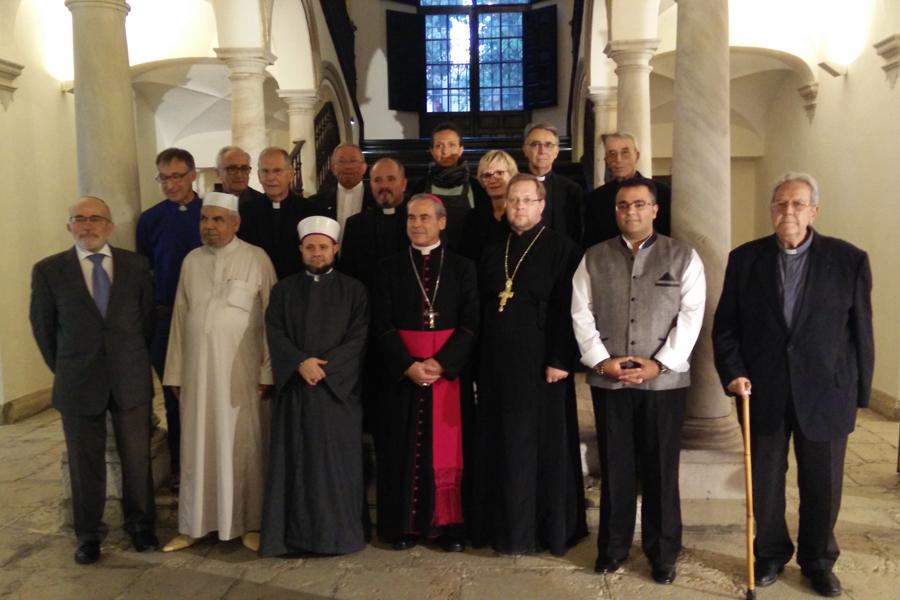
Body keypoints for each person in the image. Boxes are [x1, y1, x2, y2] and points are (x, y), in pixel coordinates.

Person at [713, 172, 874, 598]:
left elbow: (861, 332)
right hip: (761, 391)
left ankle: (818, 561)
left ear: (814, 211)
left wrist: (860, 392)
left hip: (826, 392)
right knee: (764, 480)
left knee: (823, 483)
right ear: (771, 210)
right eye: (780, 204)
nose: (788, 212)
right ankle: (768, 553)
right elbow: (726, 327)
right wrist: (732, 372)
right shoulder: (745, 259)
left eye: (797, 204)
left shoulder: (848, 260)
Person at [572, 177, 706, 585]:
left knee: (661, 469)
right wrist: (600, 361)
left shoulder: (683, 257)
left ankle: (663, 552)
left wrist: (660, 364)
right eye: (623, 206)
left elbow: (691, 314)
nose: (631, 212)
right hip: (610, 381)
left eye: (639, 205)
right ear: (615, 211)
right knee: (616, 466)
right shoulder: (592, 258)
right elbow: (581, 312)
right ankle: (612, 548)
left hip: (663, 385)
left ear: (654, 209)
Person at [31, 196, 158, 564]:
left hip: (129, 377)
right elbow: (44, 330)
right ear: (69, 225)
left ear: (110, 225)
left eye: (96, 218)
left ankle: (140, 526)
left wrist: (130, 360)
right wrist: (69, 367)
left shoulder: (136, 266)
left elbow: (146, 322)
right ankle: (88, 535)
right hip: (78, 381)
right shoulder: (50, 271)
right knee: (84, 463)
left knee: (137, 459)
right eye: (79, 219)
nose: (88, 225)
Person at [470, 174, 588, 556]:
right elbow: (483, 308)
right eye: (513, 200)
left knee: (538, 446)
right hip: (496, 366)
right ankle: (502, 527)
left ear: (541, 205)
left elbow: (572, 309)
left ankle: (540, 531)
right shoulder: (491, 249)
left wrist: (560, 358)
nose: (519, 207)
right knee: (499, 444)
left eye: (526, 200)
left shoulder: (563, 249)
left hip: (542, 365)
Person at [162, 192, 278, 553]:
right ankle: (195, 524)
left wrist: (268, 370)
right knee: (198, 445)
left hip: (241, 374)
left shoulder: (256, 258)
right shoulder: (191, 261)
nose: (209, 227)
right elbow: (181, 317)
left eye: (217, 220)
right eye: (204, 220)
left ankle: (250, 522)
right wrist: (176, 371)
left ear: (235, 223)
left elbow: (272, 318)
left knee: (244, 446)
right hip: (197, 373)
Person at [372, 193, 479, 552]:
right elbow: (382, 325)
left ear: (442, 222)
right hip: (404, 374)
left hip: (446, 375)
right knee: (401, 449)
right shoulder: (388, 267)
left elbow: (470, 324)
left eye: (424, 218)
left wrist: (441, 364)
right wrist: (407, 365)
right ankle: (404, 526)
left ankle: (448, 526)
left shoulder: (463, 267)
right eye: (411, 219)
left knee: (450, 451)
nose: (416, 225)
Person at [260, 216, 369, 556]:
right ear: (301, 250)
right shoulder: (283, 290)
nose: (317, 253)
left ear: (335, 248)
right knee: (295, 466)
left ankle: (339, 536)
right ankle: (293, 538)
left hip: (338, 397)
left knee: (337, 467)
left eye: (323, 247)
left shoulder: (354, 290)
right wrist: (299, 362)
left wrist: (326, 370)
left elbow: (359, 338)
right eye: (311, 247)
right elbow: (274, 332)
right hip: (296, 394)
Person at [136, 147, 203, 487]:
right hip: (164, 318)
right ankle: (180, 467)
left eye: (177, 176)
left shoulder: (211, 213)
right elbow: (145, 269)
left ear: (193, 175)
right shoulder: (149, 220)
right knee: (175, 393)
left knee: (209, 391)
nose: (170, 184)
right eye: (164, 177)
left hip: (205, 320)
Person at [238, 147, 319, 279]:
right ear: (259, 176)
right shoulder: (246, 212)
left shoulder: (310, 211)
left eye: (277, 171)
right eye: (265, 171)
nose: (271, 178)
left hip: (298, 287)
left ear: (290, 175)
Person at [583, 133, 671, 248]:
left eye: (625, 152)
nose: (618, 160)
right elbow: (591, 242)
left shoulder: (662, 193)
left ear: (637, 155)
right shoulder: (596, 198)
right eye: (612, 154)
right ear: (606, 160)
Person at [409, 122, 488, 250]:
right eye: (439, 146)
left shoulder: (475, 187)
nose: (445, 151)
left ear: (461, 149)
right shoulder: (421, 187)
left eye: (451, 145)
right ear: (432, 151)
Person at [340, 157, 410, 289]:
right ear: (370, 185)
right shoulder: (355, 225)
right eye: (377, 180)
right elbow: (347, 274)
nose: (384, 186)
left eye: (391, 179)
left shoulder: (417, 223)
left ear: (404, 184)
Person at [522, 123, 584, 243]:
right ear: (525, 150)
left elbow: (576, 233)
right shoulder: (515, 187)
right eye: (535, 144)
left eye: (548, 145)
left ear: (556, 152)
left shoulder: (571, 190)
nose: (542, 151)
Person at [457, 150, 516, 263]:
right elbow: (466, 258)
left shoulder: (520, 213)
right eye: (487, 175)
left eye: (500, 173)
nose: (493, 179)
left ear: (511, 175)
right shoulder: (473, 218)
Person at [308, 143, 376, 237]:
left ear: (364, 168)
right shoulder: (317, 202)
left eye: (353, 161)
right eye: (341, 161)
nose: (348, 167)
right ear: (333, 168)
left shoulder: (376, 200)